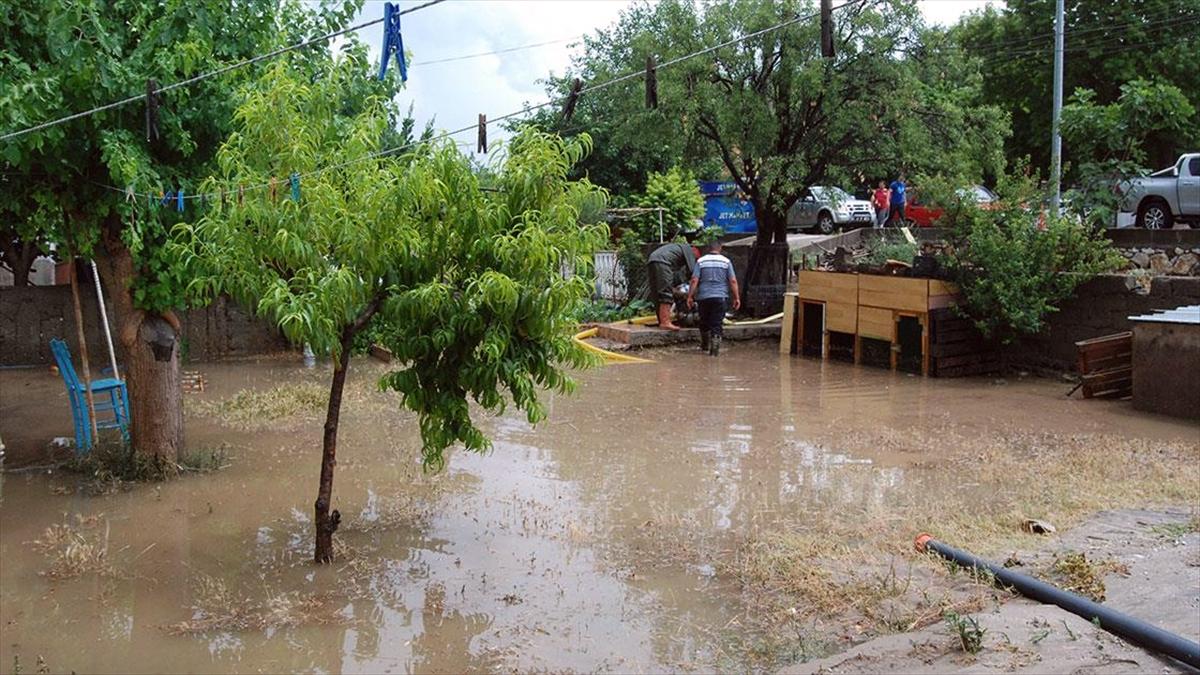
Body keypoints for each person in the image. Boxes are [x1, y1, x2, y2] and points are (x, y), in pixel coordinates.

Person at [686, 240, 740, 356]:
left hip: (703, 297)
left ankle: (705, 345)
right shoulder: (726, 262)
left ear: (708, 249)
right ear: (720, 248)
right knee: (716, 323)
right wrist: (736, 298)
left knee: (704, 321)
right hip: (720, 297)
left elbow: (694, 280)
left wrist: (690, 296)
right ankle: (714, 351)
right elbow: (733, 281)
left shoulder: (701, 261)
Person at [646, 242, 697, 331]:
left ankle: (661, 320)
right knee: (666, 292)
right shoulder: (690, 250)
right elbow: (693, 273)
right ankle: (665, 322)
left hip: (652, 259)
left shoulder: (678, 248)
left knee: (657, 291)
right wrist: (692, 293)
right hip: (663, 261)